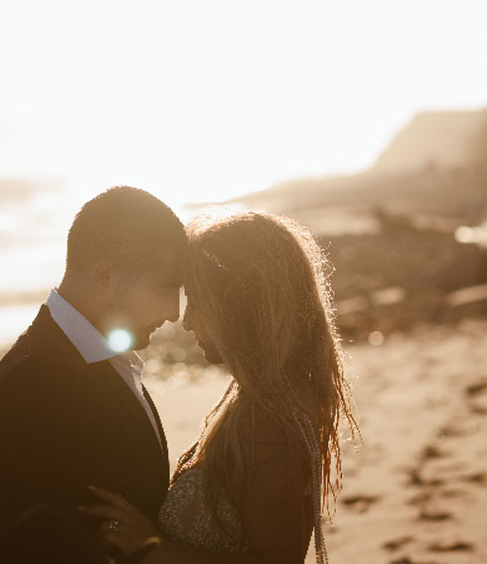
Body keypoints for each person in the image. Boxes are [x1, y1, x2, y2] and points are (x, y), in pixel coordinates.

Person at [79, 210, 359, 564]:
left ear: (237, 307)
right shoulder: (257, 399)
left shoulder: (268, 422)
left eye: (197, 301)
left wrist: (158, 548)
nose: (186, 321)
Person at [0, 185, 185, 553]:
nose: (173, 312)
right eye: (164, 289)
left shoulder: (99, 358)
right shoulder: (34, 380)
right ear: (105, 277)